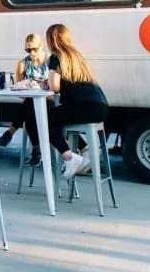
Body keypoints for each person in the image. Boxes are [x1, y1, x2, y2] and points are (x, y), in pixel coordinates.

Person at [21, 24, 108, 178]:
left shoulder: (56, 56)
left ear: (50, 39)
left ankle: (69, 157)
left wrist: (47, 83)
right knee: (55, 119)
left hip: (84, 107)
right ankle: (84, 149)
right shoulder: (75, 55)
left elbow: (55, 87)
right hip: (100, 106)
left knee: (43, 120)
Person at [0, 33, 49, 150]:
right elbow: (19, 89)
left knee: (28, 107)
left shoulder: (50, 61)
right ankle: (36, 150)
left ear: (41, 46)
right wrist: (29, 86)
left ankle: (11, 132)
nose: (32, 53)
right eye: (28, 50)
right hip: (31, 100)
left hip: (49, 100)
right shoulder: (22, 63)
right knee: (30, 108)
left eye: (35, 49)